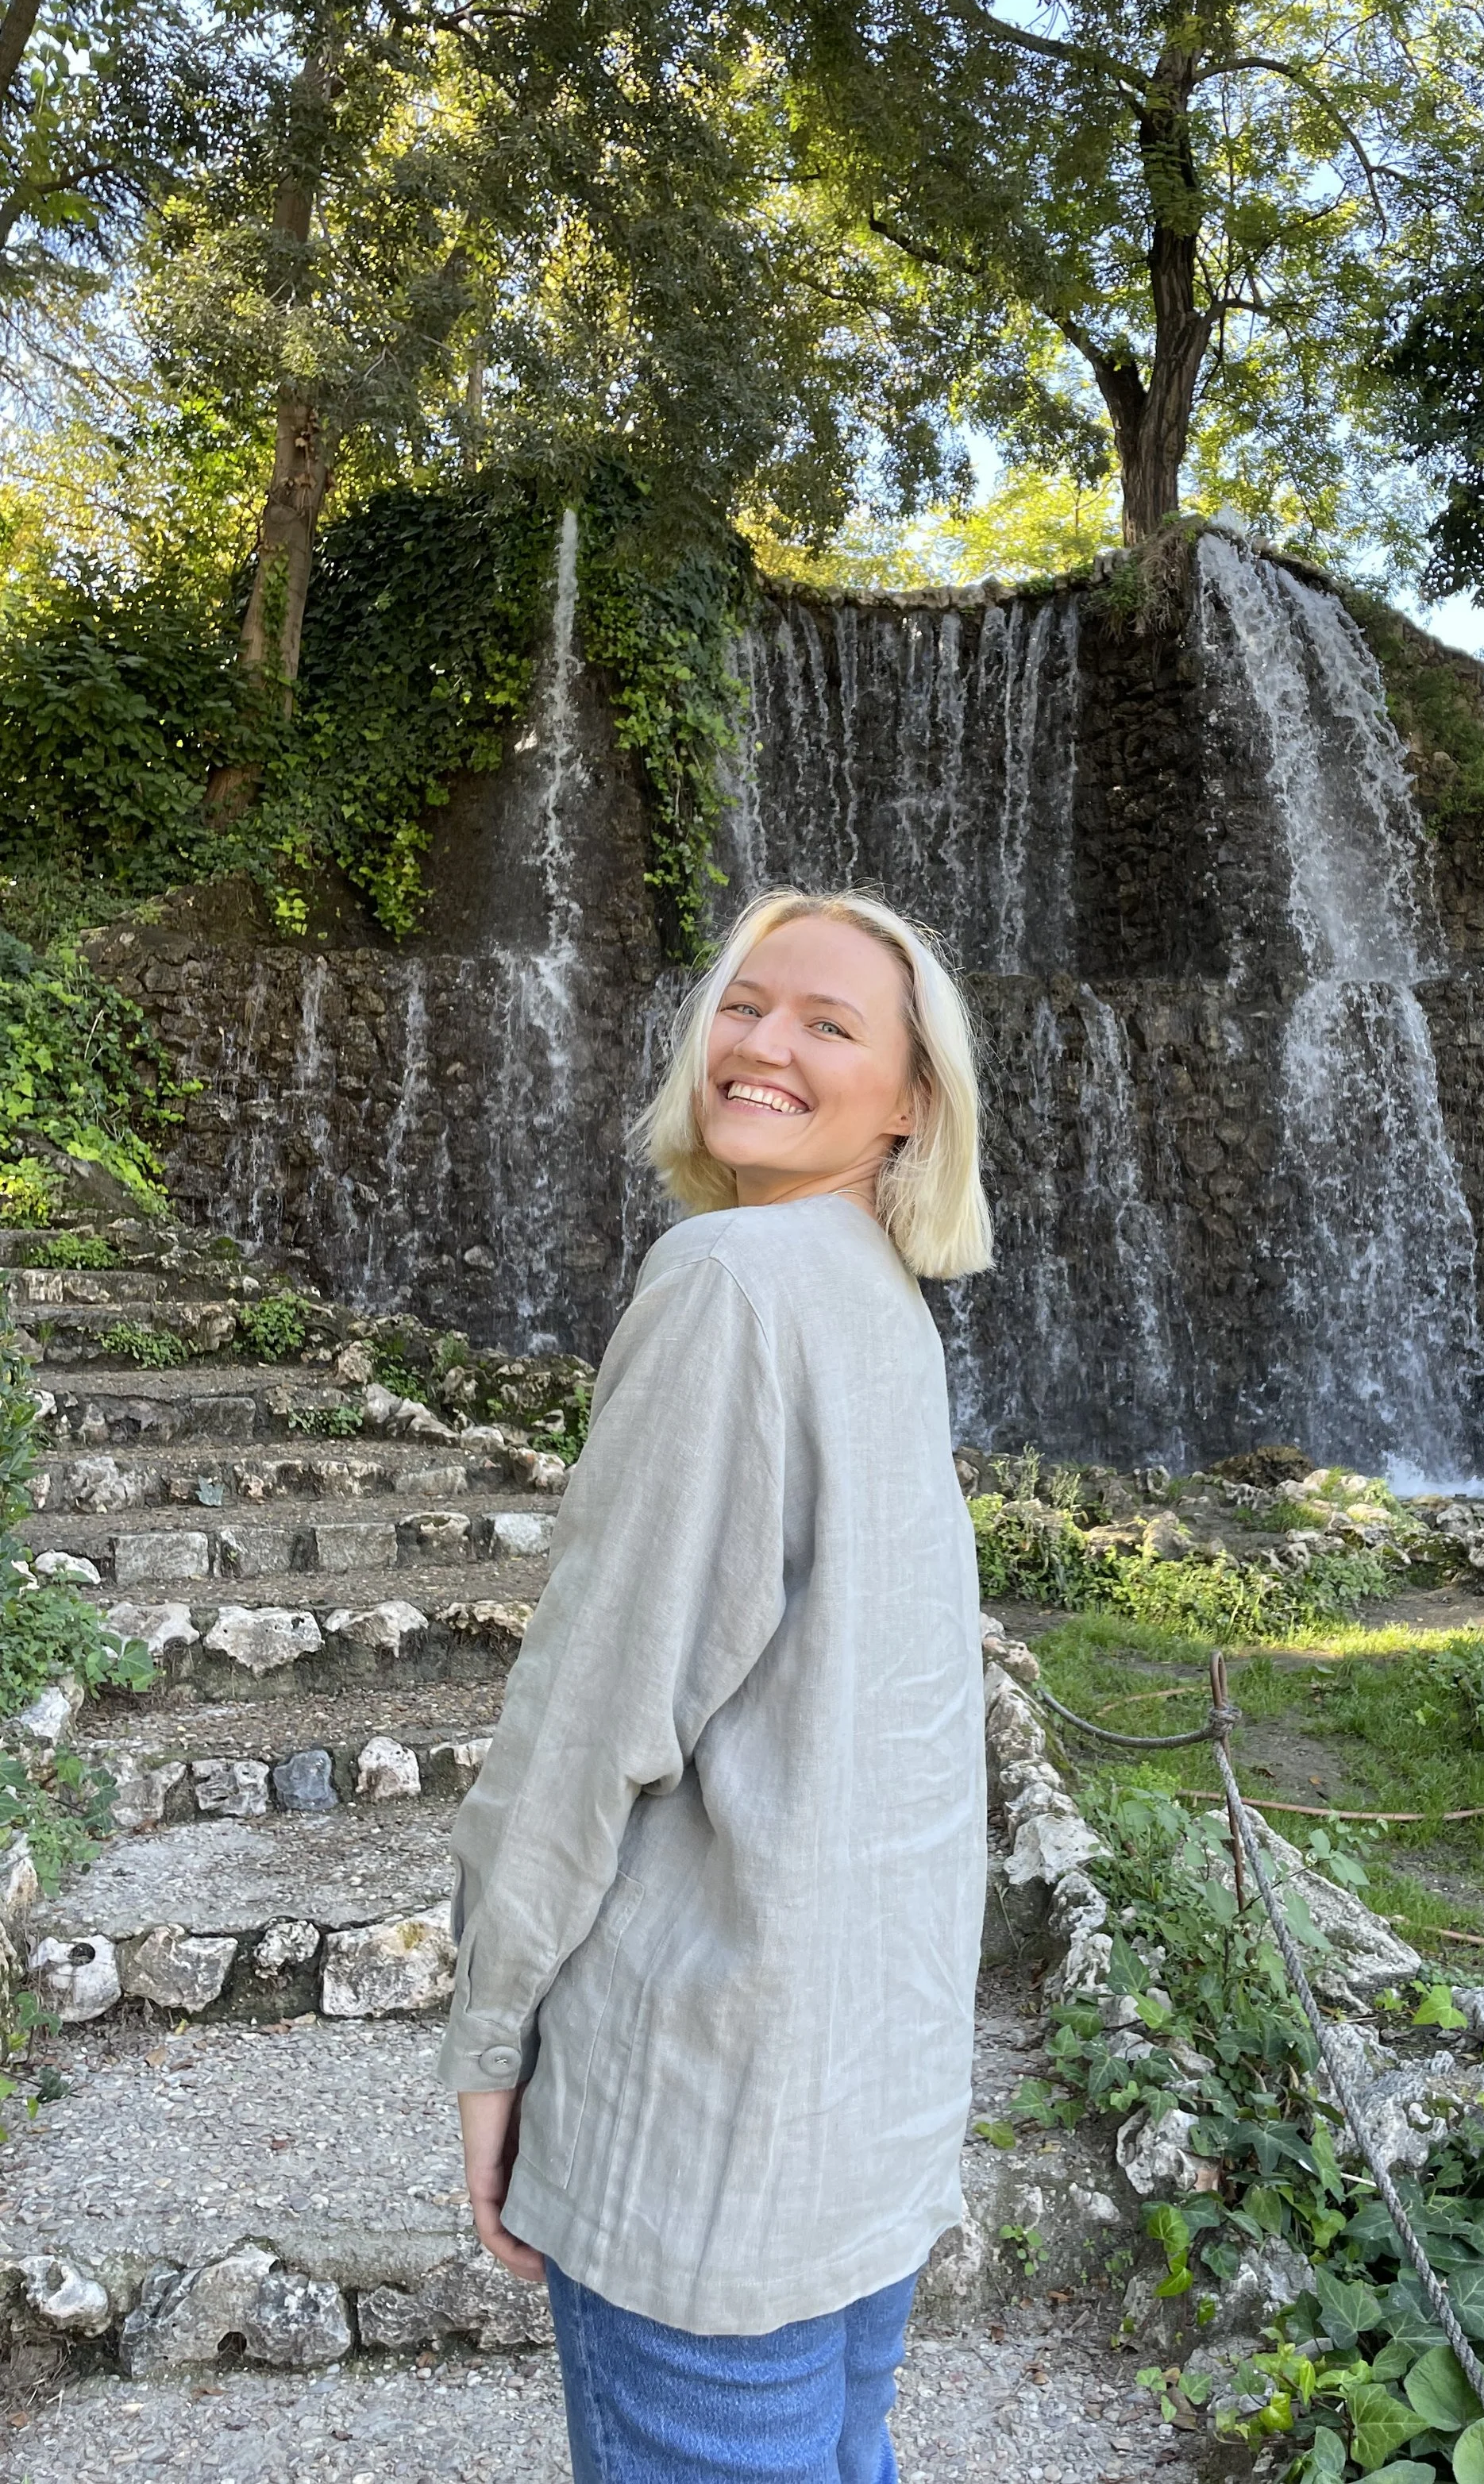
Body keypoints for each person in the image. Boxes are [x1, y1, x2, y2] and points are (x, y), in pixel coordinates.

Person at [437, 886, 994, 2484]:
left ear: (909, 1102)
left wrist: (489, 2039)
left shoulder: (732, 1278)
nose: (760, 1041)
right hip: (859, 2122)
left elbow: (590, 1714)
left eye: (829, 1023)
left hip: (709, 2128)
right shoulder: (877, 1303)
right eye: (743, 1005)